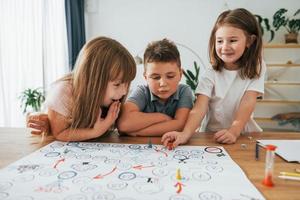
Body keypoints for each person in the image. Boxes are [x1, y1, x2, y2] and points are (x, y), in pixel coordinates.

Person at [162, 8, 266, 147]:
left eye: (232, 40)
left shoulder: (258, 66)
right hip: (212, 135)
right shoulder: (211, 72)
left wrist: (234, 131)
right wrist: (185, 134)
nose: (225, 47)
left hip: (243, 134)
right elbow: (200, 107)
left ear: (250, 41)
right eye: (220, 41)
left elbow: (248, 101)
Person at [32, 36, 136, 141]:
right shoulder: (64, 92)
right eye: (117, 84)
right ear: (93, 80)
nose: (124, 92)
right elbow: (59, 133)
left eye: (127, 84)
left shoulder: (113, 97)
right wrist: (95, 132)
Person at [117, 39, 194, 136]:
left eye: (170, 76)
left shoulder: (184, 91)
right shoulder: (142, 91)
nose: (163, 83)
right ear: (145, 77)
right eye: (155, 77)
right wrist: (162, 117)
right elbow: (124, 124)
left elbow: (180, 125)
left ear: (180, 74)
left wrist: (138, 132)